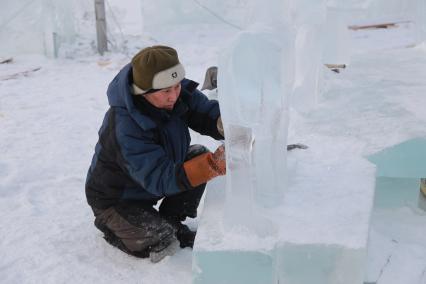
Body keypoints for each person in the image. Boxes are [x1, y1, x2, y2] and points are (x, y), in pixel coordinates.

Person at [85, 45, 226, 262]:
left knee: (198, 155)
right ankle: (113, 226)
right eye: (166, 92)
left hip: (150, 182)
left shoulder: (176, 92)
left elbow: (204, 113)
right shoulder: (125, 126)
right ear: (143, 92)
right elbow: (159, 178)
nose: (174, 96)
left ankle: (172, 218)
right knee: (161, 235)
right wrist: (212, 166)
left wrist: (223, 124)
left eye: (177, 86)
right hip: (117, 201)